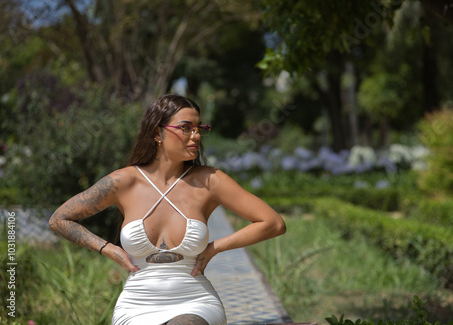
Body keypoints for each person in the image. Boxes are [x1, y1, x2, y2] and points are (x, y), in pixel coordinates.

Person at [49, 94, 286, 325]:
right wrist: (108, 248)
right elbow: (60, 219)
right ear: (157, 133)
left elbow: (273, 223)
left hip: (195, 302)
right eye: (185, 128)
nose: (196, 136)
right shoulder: (124, 181)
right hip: (136, 305)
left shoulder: (210, 180)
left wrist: (214, 248)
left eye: (199, 128)